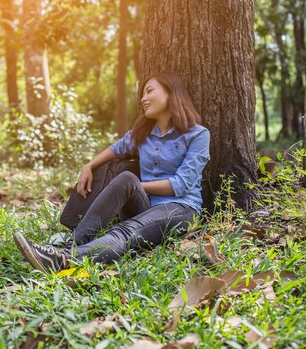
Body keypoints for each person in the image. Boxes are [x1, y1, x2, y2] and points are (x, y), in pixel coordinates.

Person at [13, 73, 210, 273]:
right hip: (145, 207)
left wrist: (139, 187)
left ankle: (64, 260)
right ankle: (72, 245)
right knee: (126, 179)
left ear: (171, 93)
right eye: (142, 94)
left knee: (125, 231)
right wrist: (88, 166)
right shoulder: (143, 133)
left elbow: (182, 185)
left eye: (149, 91)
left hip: (181, 209)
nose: (143, 98)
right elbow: (116, 149)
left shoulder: (197, 135)